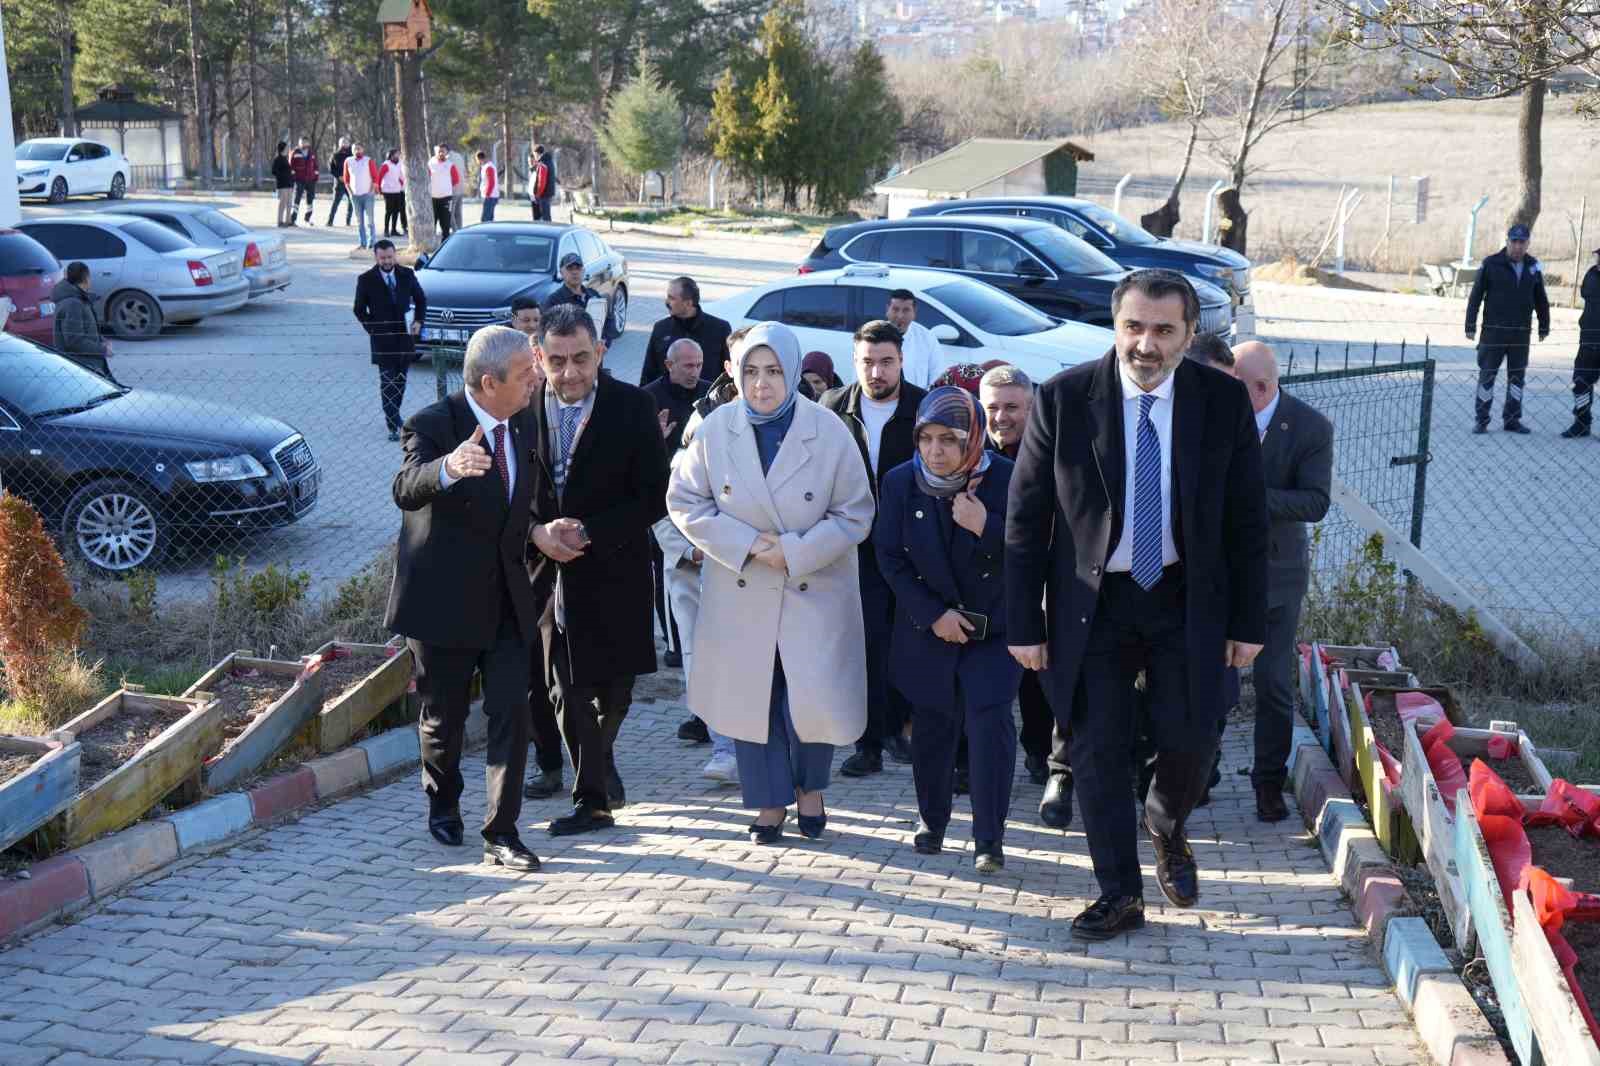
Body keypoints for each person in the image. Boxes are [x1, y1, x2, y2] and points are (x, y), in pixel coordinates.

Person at [1006, 268, 1267, 941]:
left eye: (1163, 330)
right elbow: (1025, 519)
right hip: (1095, 602)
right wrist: (1022, 621)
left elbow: (1247, 519)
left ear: (1187, 335)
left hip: (1187, 598)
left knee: (1193, 737)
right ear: (1115, 325)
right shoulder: (1064, 399)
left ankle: (1165, 822)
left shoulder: (1220, 401)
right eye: (1133, 327)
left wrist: (1248, 621)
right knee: (1096, 750)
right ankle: (1119, 892)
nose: (1145, 345)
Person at [667, 322, 874, 844]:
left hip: (813, 587)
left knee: (809, 696)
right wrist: (748, 544)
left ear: (792, 372)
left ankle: (811, 791)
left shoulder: (828, 430)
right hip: (743, 586)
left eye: (775, 371)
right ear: (735, 373)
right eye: (751, 371)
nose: (762, 384)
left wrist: (796, 551)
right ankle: (767, 802)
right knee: (752, 698)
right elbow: (685, 502)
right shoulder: (715, 430)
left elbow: (856, 512)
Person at [386, 325, 543, 872]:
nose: (536, 379)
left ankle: (502, 831)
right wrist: (449, 468)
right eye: (526, 374)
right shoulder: (433, 424)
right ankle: (444, 802)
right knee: (443, 717)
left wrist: (541, 532)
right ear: (487, 381)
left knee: (510, 713)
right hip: (443, 603)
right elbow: (406, 487)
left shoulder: (524, 420)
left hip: (505, 599)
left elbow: (520, 502)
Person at [526, 304, 668, 836]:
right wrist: (539, 534)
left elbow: (654, 496)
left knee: (616, 690)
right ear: (538, 357)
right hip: (545, 575)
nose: (570, 373)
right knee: (564, 687)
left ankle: (599, 761)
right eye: (557, 360)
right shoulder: (521, 412)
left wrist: (589, 532)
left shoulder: (633, 407)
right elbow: (505, 496)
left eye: (581, 359)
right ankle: (593, 800)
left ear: (600, 352)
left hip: (615, 569)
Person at [875, 387, 1019, 872]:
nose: (935, 451)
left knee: (988, 730)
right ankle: (931, 820)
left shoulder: (1007, 479)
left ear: (973, 439)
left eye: (949, 440)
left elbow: (1038, 550)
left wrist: (987, 527)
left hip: (992, 631)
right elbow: (889, 558)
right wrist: (933, 614)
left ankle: (988, 840)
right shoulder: (901, 483)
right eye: (926, 439)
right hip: (928, 630)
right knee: (933, 729)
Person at [1231, 341, 1333, 822]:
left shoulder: (1310, 427)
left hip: (1276, 574)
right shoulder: (1215, 417)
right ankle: (1196, 775)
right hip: (1218, 571)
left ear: (1262, 388)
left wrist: (1250, 498)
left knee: (1272, 684)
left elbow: (1314, 502)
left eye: (1234, 386)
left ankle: (1268, 782)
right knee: (1208, 679)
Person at [822, 321, 927, 777]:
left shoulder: (924, 408)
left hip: (913, 549)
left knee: (907, 641)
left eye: (886, 361)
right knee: (863, 644)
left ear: (901, 360)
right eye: (867, 362)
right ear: (854, 361)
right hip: (854, 548)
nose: (876, 371)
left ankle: (901, 729)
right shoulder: (832, 409)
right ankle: (867, 743)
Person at [978, 365, 1064, 801]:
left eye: (1012, 407)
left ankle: (1040, 753)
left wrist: (987, 526)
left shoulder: (1050, 455)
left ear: (1031, 408)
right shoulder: (968, 454)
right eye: (992, 407)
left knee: (1036, 678)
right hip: (983, 592)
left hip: (1038, 590)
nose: (1001, 417)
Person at [643, 338, 710, 673]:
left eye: (698, 365)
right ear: (669, 365)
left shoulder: (710, 396)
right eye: (687, 365)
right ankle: (674, 644)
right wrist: (654, 439)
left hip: (700, 498)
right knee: (667, 571)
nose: (694, 372)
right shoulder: (648, 398)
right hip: (661, 500)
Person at [1466, 223, 1550, 434]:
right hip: (1493, 333)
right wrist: (1470, 325)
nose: (1518, 246)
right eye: (1514, 241)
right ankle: (1481, 420)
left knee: (1517, 379)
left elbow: (1541, 298)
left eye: (1522, 242)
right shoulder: (1491, 264)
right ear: (1507, 241)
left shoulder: (1533, 266)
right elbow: (1475, 296)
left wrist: (1544, 324)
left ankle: (1512, 419)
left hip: (1520, 334)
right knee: (1487, 377)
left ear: (1528, 243)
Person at [353, 239, 428, 440]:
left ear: (395, 255)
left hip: (405, 339)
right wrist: (374, 329)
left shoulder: (407, 274)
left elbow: (421, 299)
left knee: (400, 381)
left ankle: (394, 417)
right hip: (382, 341)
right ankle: (393, 424)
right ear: (376, 257)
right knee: (388, 382)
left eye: (390, 256)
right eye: (382, 258)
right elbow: (359, 310)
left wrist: (419, 321)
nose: (387, 261)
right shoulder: (366, 279)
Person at [641, 277, 731, 386]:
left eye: (672, 298)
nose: (667, 302)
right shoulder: (661, 328)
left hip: (706, 400)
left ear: (688, 303)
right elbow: (649, 373)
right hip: (667, 401)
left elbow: (729, 373)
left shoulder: (720, 329)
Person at [50, 262, 113, 378]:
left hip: (88, 365)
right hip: (82, 368)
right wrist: (102, 350)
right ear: (86, 278)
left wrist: (101, 339)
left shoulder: (79, 299)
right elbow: (75, 341)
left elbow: (87, 329)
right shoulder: (73, 304)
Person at [1562, 248, 1600, 438]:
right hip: (1589, 340)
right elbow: (1586, 294)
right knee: (1581, 383)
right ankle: (1582, 422)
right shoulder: (1592, 275)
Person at [542, 252, 613, 346]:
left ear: (583, 271)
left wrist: (605, 343)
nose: (575, 272)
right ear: (562, 273)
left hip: (595, 356)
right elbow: (546, 333)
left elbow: (608, 323)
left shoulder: (594, 295)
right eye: (570, 268)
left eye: (578, 268)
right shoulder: (553, 301)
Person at [886, 289, 943, 390]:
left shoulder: (927, 338)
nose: (900, 316)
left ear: (914, 312)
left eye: (906, 310)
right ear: (887, 309)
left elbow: (937, 378)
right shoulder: (874, 337)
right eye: (895, 309)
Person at [343, 143, 380, 250]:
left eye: (359, 149)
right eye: (354, 149)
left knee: (370, 221)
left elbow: (375, 177)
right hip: (355, 196)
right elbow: (346, 179)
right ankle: (362, 242)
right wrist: (350, 193)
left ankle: (371, 241)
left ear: (363, 149)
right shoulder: (348, 161)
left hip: (367, 195)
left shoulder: (368, 161)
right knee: (359, 222)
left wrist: (371, 191)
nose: (357, 151)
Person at [428, 145, 461, 241]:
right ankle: (432, 241)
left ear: (447, 153)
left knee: (446, 223)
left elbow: (456, 180)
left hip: (446, 198)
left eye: (443, 151)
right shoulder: (430, 163)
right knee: (433, 221)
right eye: (439, 151)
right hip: (433, 198)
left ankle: (445, 242)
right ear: (436, 152)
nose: (441, 153)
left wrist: (445, 186)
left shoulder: (450, 165)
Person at [290, 137, 319, 226]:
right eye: (302, 142)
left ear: (308, 143)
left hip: (310, 180)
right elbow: (290, 166)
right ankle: (293, 219)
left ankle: (308, 218)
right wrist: (294, 177)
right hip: (299, 180)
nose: (304, 144)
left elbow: (316, 166)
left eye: (306, 142)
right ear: (299, 143)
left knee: (310, 200)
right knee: (297, 199)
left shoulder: (311, 153)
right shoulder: (295, 152)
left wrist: (316, 177)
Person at [379, 149, 407, 237]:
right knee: (389, 211)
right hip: (387, 191)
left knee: (396, 211)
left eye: (398, 155)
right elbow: (380, 176)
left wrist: (401, 183)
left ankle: (393, 230)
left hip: (397, 190)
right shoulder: (386, 164)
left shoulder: (399, 164)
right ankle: (386, 230)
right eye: (396, 155)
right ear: (391, 155)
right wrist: (379, 189)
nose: (398, 156)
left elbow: (400, 176)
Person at [326, 137, 353, 227]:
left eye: (346, 142)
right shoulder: (335, 155)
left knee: (351, 201)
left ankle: (348, 221)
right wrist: (338, 176)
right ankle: (330, 221)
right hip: (339, 183)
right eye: (343, 142)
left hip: (350, 182)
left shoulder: (352, 155)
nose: (345, 144)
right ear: (340, 144)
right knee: (336, 202)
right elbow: (331, 168)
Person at [272, 142, 294, 227]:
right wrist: (287, 173)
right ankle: (280, 221)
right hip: (282, 184)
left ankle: (288, 220)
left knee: (289, 203)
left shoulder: (285, 158)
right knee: (283, 203)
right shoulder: (277, 159)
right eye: (287, 147)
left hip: (289, 184)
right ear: (283, 149)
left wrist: (290, 173)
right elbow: (274, 171)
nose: (288, 149)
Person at [531, 144, 555, 221]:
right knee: (547, 215)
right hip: (548, 193)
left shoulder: (543, 164)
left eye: (534, 154)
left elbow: (542, 182)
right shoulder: (549, 161)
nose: (534, 156)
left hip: (543, 194)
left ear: (537, 153)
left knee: (545, 218)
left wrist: (537, 194)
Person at [478, 151, 500, 223]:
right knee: (489, 218)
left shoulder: (488, 167)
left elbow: (491, 182)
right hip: (490, 196)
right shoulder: (486, 166)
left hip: (490, 196)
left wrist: (487, 194)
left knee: (485, 219)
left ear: (480, 159)